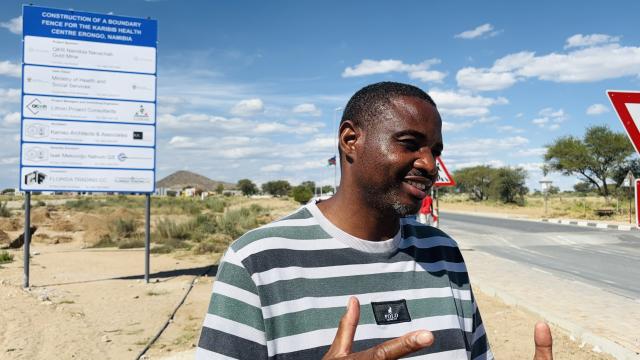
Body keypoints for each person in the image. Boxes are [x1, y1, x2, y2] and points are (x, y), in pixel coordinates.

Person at [196, 82, 553, 359]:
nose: (430, 164)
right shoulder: (258, 261)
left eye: (436, 151)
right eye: (410, 143)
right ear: (351, 140)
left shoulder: (443, 252)